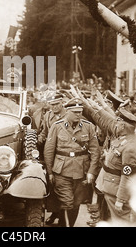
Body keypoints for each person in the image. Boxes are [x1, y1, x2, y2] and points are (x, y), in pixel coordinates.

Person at [83, 96, 136, 225]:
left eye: (120, 123)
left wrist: (121, 199)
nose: (117, 125)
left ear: (125, 126)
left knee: (121, 222)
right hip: (110, 188)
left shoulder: (130, 147)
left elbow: (127, 176)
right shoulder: (122, 140)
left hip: (116, 192)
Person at [44, 98, 101, 227]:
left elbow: (95, 151)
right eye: (75, 112)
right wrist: (50, 173)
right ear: (67, 112)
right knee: (67, 202)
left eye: (80, 112)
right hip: (61, 171)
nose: (78, 114)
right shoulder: (57, 126)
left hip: (82, 171)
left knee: (76, 204)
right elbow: (49, 151)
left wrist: (92, 171)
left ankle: (66, 225)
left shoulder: (88, 127)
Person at [37, 92, 66, 226]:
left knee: (62, 185)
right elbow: (45, 131)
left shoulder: (68, 116)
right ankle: (54, 213)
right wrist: (40, 138)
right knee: (51, 184)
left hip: (62, 154)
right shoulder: (48, 115)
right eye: (52, 105)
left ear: (62, 103)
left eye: (56, 104)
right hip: (49, 154)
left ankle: (62, 216)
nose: (54, 107)